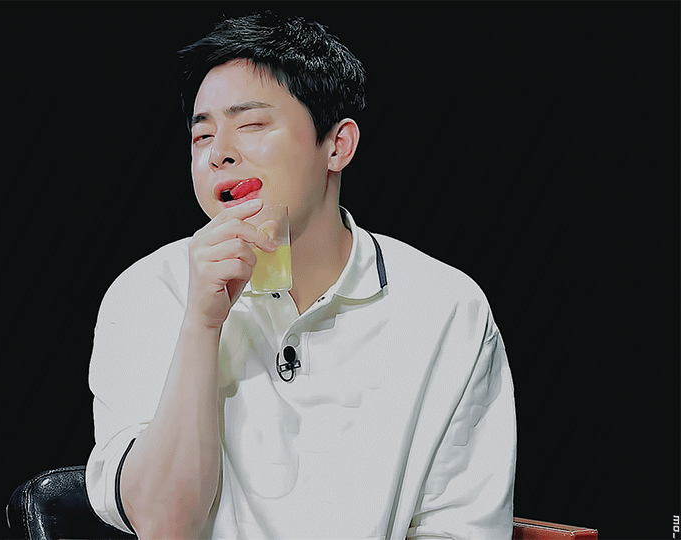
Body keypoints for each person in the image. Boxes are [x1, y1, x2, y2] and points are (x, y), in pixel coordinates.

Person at [86, 11, 516, 540]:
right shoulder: (147, 293)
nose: (219, 154)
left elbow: (461, 527)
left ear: (337, 145)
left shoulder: (448, 309)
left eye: (251, 125)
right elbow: (163, 525)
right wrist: (201, 323)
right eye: (202, 136)